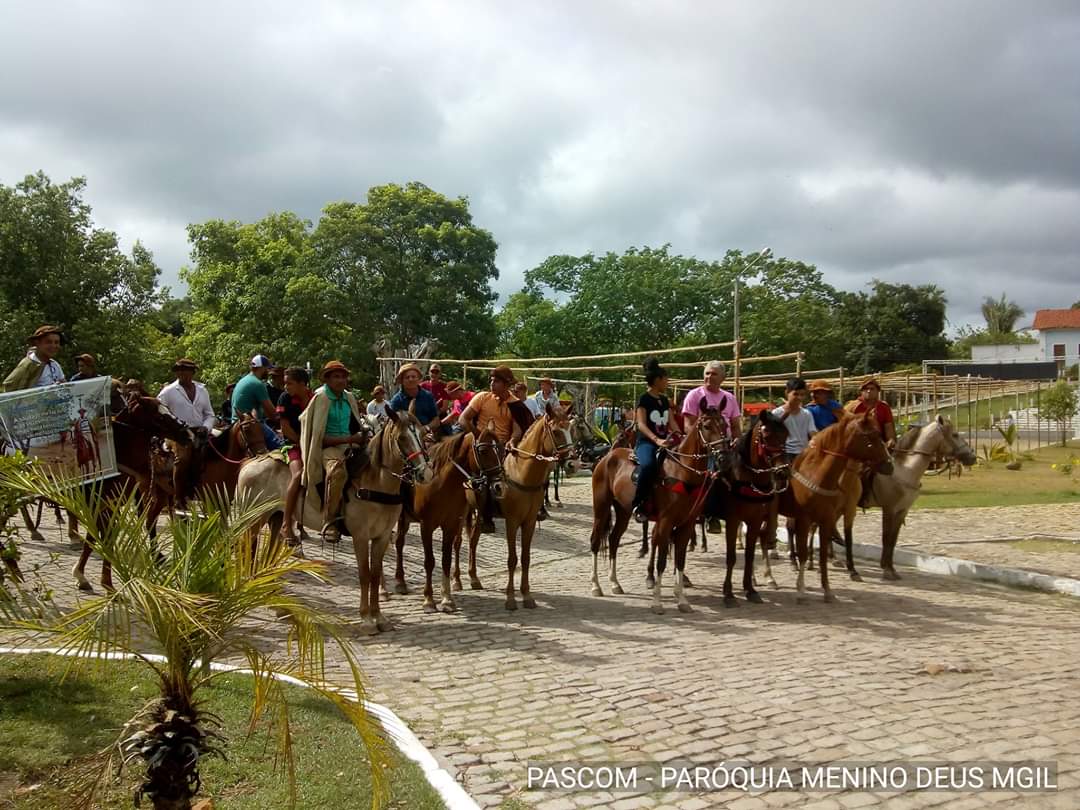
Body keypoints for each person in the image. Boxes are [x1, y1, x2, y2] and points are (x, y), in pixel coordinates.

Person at [299, 361, 369, 543]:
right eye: (336, 376)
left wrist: (363, 434)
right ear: (327, 379)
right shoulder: (321, 398)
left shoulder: (349, 398)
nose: (341, 380)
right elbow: (319, 438)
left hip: (350, 445)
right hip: (328, 448)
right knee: (337, 473)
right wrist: (350, 439)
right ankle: (329, 520)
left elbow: (355, 424)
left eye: (343, 376)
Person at [459, 366, 522, 532]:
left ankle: (534, 506)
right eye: (491, 380)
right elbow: (463, 419)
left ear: (506, 384)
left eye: (496, 381)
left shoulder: (515, 403)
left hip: (501, 444)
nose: (492, 384)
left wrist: (513, 440)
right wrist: (478, 435)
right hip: (479, 441)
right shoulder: (482, 397)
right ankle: (481, 514)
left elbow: (517, 428)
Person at [632, 358, 680, 524]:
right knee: (649, 466)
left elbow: (672, 423)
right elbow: (641, 424)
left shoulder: (665, 400)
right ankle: (639, 504)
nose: (667, 382)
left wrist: (680, 435)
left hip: (666, 442)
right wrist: (656, 440)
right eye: (666, 379)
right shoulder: (644, 399)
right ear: (658, 380)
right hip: (646, 442)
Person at [276, 366, 312, 545]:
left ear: (302, 384)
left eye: (289, 383)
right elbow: (285, 427)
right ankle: (286, 523)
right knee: (298, 474)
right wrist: (301, 442)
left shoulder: (315, 399)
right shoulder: (285, 398)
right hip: (293, 444)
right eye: (285, 383)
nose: (286, 387)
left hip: (312, 445)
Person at [230, 355, 283, 450]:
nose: (268, 372)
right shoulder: (258, 384)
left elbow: (267, 414)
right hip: (250, 425)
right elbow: (272, 413)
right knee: (282, 447)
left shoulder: (244, 380)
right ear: (262, 368)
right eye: (267, 368)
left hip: (235, 423)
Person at [682, 361, 741, 437]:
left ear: (722, 378)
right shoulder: (694, 395)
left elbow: (735, 427)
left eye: (714, 374)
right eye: (707, 373)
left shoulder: (730, 398)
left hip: (726, 443)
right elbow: (688, 426)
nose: (709, 376)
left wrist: (738, 441)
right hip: (701, 444)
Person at [158, 359, 217, 430]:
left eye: (185, 370)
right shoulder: (168, 391)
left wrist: (206, 427)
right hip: (177, 436)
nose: (181, 373)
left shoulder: (202, 390)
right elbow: (158, 412)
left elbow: (209, 415)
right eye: (178, 370)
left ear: (193, 372)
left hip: (201, 435)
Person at [3, 325, 66, 392]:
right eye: (48, 342)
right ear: (37, 343)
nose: (53, 346)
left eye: (56, 342)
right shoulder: (28, 364)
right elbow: (9, 388)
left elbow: (64, 385)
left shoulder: (54, 364)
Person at [772, 378, 818, 461]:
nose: (799, 397)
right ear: (787, 393)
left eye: (802, 394)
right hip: (785, 453)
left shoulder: (807, 414)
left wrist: (814, 441)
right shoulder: (776, 413)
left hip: (803, 453)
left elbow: (812, 432)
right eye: (795, 394)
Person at [390, 363, 440, 433]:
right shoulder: (396, 401)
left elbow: (436, 421)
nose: (411, 379)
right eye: (407, 377)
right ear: (402, 381)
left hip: (428, 434)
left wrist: (425, 429)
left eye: (413, 377)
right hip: (406, 437)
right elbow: (393, 425)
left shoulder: (428, 396)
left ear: (419, 379)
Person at [845, 379, 896, 448]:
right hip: (856, 444)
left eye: (872, 389)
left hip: (879, 443)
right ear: (861, 391)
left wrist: (890, 440)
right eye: (866, 389)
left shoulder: (884, 407)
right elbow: (843, 426)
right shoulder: (852, 406)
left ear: (877, 391)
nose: (869, 391)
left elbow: (888, 427)